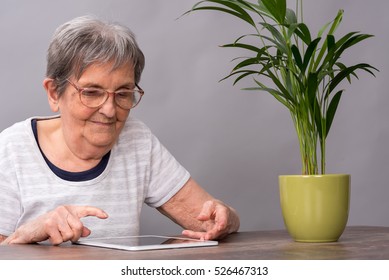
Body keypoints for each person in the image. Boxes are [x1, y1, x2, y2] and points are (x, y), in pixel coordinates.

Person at [0, 16, 239, 245]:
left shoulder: (136, 140)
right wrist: (30, 231)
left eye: (123, 93)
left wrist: (225, 217)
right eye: (91, 92)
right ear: (54, 92)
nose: (110, 110)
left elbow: (213, 222)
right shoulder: (11, 150)